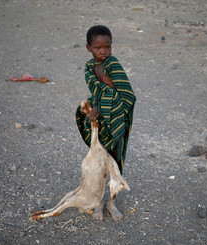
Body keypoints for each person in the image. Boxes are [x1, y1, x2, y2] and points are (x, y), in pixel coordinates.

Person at [75, 25, 136, 220]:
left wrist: (100, 107)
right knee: (99, 163)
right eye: (98, 48)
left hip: (116, 119)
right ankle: (98, 203)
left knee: (115, 165)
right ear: (88, 48)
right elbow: (100, 90)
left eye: (107, 47)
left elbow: (126, 93)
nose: (103, 51)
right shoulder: (89, 67)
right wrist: (95, 107)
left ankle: (112, 203)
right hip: (99, 121)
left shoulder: (113, 64)